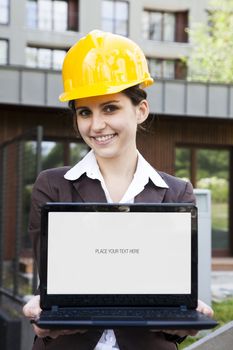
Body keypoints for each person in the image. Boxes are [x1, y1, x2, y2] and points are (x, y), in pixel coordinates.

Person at [23, 30, 213, 350]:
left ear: (140, 110)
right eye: (85, 112)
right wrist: (44, 321)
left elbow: (171, 307)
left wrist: (184, 320)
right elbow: (55, 289)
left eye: (109, 108)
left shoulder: (177, 194)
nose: (96, 125)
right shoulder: (52, 186)